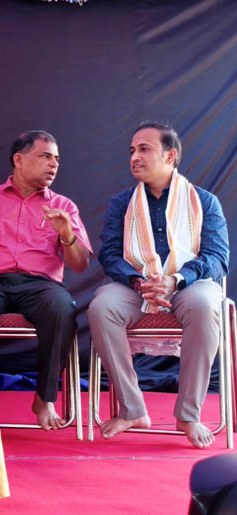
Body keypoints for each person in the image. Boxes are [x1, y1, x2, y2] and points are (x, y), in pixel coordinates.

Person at [89, 122, 229, 448]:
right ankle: (132, 409)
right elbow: (110, 255)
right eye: (132, 151)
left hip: (190, 284)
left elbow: (217, 257)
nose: (134, 157)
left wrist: (175, 280)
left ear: (170, 156)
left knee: (206, 305)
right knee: (102, 307)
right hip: (135, 286)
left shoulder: (204, 201)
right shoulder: (122, 203)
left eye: (144, 149)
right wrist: (140, 282)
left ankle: (189, 414)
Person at [0, 130, 91, 431]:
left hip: (40, 286)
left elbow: (80, 264)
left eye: (57, 159)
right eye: (45, 156)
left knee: (62, 308)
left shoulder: (63, 206)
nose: (54, 164)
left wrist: (67, 234)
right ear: (19, 160)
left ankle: (44, 398)